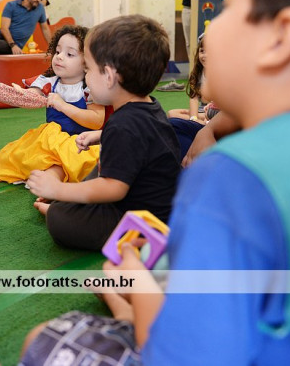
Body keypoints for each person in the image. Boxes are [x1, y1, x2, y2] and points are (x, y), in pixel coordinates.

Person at [20, 0, 290, 364]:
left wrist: (133, 277)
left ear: (281, 38)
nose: (208, 31)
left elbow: (178, 355)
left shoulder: (233, 177)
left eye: (227, 10)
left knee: (40, 338)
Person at [26, 15, 181, 252]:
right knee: (98, 168)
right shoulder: (147, 107)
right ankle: (68, 202)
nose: (86, 77)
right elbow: (142, 140)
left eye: (88, 69)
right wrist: (100, 136)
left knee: (59, 220)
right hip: (152, 203)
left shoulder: (123, 125)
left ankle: (60, 206)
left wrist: (59, 190)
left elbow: (113, 188)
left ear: (108, 76)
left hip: (140, 220)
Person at [0, 25, 106, 185]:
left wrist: (63, 106)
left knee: (70, 161)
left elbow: (96, 121)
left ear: (87, 63)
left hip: (81, 143)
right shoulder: (48, 82)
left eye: (69, 54)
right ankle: (49, 179)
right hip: (51, 140)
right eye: (57, 51)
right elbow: (29, 97)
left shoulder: (89, 88)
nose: (59, 57)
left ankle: (51, 181)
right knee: (23, 156)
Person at [167, 33, 220, 159]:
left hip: (216, 112)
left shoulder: (220, 73)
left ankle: (205, 122)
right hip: (204, 111)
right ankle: (201, 121)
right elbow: (194, 98)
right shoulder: (197, 73)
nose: (205, 56)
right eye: (202, 51)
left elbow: (212, 100)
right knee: (172, 113)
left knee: (205, 116)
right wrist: (193, 117)